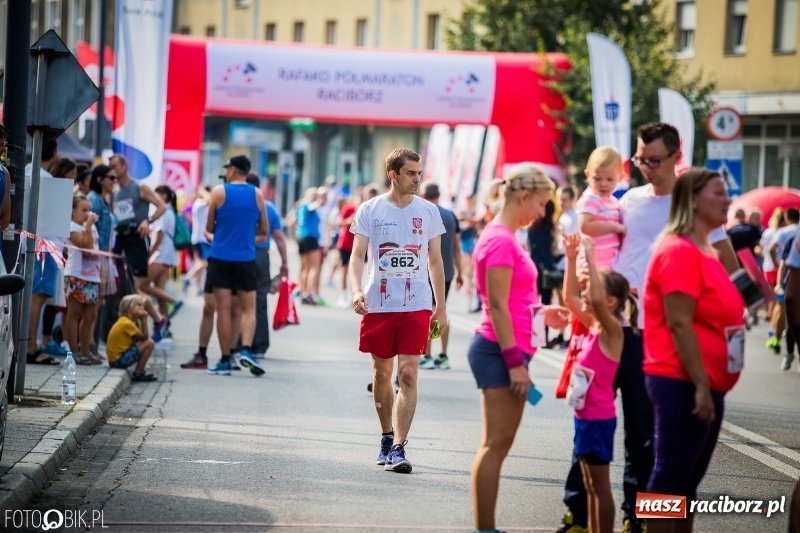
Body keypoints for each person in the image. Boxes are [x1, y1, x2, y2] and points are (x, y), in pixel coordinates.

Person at [556, 123, 736, 533]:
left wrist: (704, 312)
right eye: (640, 159)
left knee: (651, 445)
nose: (646, 167)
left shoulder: (692, 206)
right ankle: (579, 513)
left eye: (654, 160)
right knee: (592, 419)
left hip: (658, 340)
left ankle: (636, 518)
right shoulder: (630, 198)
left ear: (676, 156)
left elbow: (729, 267)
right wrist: (584, 274)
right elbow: (602, 240)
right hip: (610, 327)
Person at [467, 163, 569, 533]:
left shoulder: (508, 237)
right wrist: (514, 363)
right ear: (524, 197)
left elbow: (512, 300)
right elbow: (495, 305)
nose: (542, 213)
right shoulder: (500, 239)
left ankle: (486, 528)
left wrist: (542, 313)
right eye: (541, 204)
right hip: (499, 351)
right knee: (495, 445)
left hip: (507, 350)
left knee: (499, 445)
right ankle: (485, 529)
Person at [643, 168, 743, 533]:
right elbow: (679, 323)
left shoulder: (706, 251)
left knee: (686, 485)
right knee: (669, 478)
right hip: (681, 380)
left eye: (726, 193)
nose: (726, 200)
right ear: (693, 200)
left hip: (706, 383)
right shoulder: (678, 251)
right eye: (718, 193)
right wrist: (700, 384)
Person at [349, 148, 447, 474]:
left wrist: (440, 306)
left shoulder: (429, 211)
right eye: (411, 173)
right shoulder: (370, 209)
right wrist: (356, 290)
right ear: (393, 175)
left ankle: (399, 447)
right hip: (378, 304)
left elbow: (435, 261)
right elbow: (357, 256)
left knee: (408, 374)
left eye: (419, 173)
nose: (417, 179)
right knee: (381, 374)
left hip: (416, 303)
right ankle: (386, 436)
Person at [563, 234, 635, 533]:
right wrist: (571, 258)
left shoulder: (612, 329)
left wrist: (591, 256)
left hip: (597, 420)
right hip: (584, 418)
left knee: (600, 486)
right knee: (591, 485)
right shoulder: (594, 325)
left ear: (610, 301)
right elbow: (570, 298)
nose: (587, 294)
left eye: (594, 289)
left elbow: (591, 298)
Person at [205, 154, 268, 377]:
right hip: (246, 258)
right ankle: (246, 349)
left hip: (220, 257)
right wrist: (247, 240)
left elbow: (208, 229)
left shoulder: (218, 192)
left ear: (232, 169)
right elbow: (264, 232)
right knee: (248, 308)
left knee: (222, 309)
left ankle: (225, 360)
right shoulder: (257, 194)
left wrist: (218, 239)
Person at [109, 154, 170, 335]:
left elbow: (161, 206)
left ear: (125, 166)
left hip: (137, 238)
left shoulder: (139, 187)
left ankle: (158, 320)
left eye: (115, 166)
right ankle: (131, 328)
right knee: (123, 287)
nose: (113, 170)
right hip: (120, 238)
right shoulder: (114, 192)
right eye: (110, 167)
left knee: (139, 286)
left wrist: (147, 221)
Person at [25, 138, 63, 365]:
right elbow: (53, 219)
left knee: (25, 297)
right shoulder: (47, 179)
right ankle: (30, 347)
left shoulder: (25, 171)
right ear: (54, 153)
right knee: (37, 298)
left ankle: (24, 344)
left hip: (25, 242)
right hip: (45, 245)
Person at [419, 182, 463, 370]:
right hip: (448, 271)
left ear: (423, 195)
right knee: (441, 310)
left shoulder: (423, 213)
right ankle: (443, 355)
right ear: (439, 195)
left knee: (428, 312)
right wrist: (461, 272)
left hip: (427, 270)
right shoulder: (451, 216)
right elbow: (457, 247)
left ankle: (427, 355)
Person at [246, 172, 288, 358]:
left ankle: (239, 344)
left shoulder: (240, 205)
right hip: (261, 256)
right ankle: (259, 346)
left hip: (241, 254)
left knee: (239, 300)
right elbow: (279, 237)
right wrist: (284, 262)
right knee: (260, 300)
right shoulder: (269, 207)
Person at [63, 196, 102, 365]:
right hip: (76, 275)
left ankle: (85, 351)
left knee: (90, 315)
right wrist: (88, 226)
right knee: (75, 313)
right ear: (73, 211)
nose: (88, 214)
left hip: (92, 276)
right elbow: (86, 247)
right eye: (84, 210)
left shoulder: (91, 227)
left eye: (89, 210)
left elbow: (96, 251)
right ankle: (74, 352)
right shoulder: (72, 228)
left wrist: (100, 275)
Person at [577, 146, 625, 271]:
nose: (603, 184)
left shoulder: (613, 201)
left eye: (610, 179)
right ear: (588, 175)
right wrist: (614, 227)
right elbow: (585, 226)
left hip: (608, 263)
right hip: (592, 265)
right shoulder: (591, 198)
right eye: (597, 179)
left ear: (620, 177)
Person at [106, 294, 157, 382]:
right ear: (127, 308)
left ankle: (139, 371)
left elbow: (139, 340)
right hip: (118, 360)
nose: (142, 308)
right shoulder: (126, 323)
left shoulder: (125, 321)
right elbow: (145, 338)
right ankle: (138, 372)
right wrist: (143, 319)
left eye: (143, 306)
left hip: (115, 360)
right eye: (138, 305)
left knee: (143, 344)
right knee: (150, 343)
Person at [296, 186, 328, 305]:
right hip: (310, 238)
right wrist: (319, 202)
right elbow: (313, 206)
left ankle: (303, 291)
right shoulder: (309, 205)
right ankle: (309, 294)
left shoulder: (300, 206)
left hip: (301, 237)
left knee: (305, 268)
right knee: (314, 267)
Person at [185, 185, 212, 295]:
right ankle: (188, 278)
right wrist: (203, 191)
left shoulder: (202, 204)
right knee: (205, 262)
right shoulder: (199, 203)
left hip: (201, 238)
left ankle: (199, 287)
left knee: (200, 263)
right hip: (201, 238)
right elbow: (210, 199)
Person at [335, 196, 359, 307]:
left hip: (356, 245)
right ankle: (343, 295)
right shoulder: (349, 208)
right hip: (345, 243)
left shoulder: (366, 210)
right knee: (344, 270)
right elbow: (339, 222)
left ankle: (352, 296)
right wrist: (350, 220)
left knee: (355, 271)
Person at [0, 125, 13, 229]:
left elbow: (4, 221)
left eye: (4, 145)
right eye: (0, 145)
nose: (4, 149)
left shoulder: (4, 173)